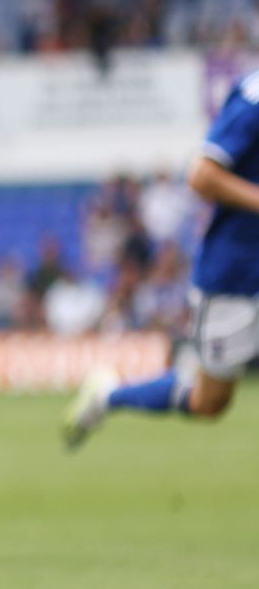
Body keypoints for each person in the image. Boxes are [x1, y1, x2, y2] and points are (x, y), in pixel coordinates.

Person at [63, 70, 259, 446]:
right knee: (210, 401)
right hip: (236, 275)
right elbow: (202, 175)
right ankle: (108, 395)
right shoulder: (254, 97)